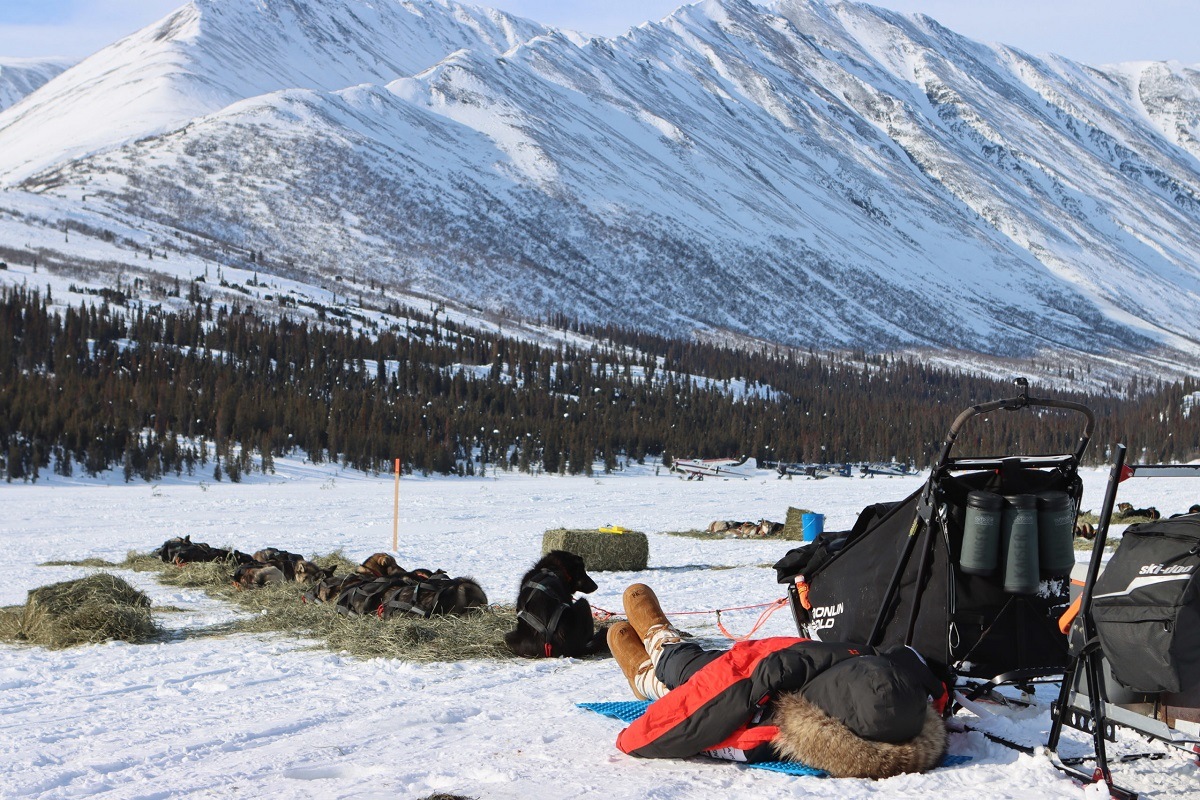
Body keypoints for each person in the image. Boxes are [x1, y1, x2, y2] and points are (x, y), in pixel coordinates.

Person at [607, 583, 949, 778]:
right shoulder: (909, 702)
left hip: (767, 670)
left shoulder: (786, 731)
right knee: (712, 668)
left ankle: (660, 653)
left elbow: (707, 708)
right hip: (795, 657)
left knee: (695, 672)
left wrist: (635, 739)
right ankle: (659, 664)